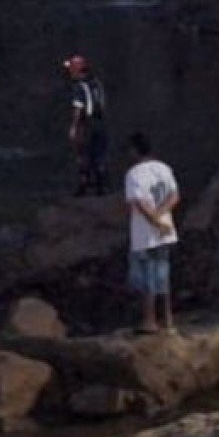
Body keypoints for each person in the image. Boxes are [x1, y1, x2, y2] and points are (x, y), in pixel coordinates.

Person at [122, 131, 179, 333]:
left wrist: (154, 221)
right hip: (166, 232)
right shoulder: (164, 168)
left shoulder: (134, 174)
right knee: (163, 274)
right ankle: (168, 319)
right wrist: (162, 217)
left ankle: (149, 320)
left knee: (147, 277)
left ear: (135, 151)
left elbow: (139, 204)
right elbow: (174, 196)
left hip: (145, 235)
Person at [65, 54, 108, 196]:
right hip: (100, 122)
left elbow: (78, 108)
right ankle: (101, 185)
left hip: (87, 123)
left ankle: (84, 185)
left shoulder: (79, 86)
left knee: (83, 154)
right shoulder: (97, 83)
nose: (69, 72)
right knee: (99, 154)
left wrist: (73, 127)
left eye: (71, 69)